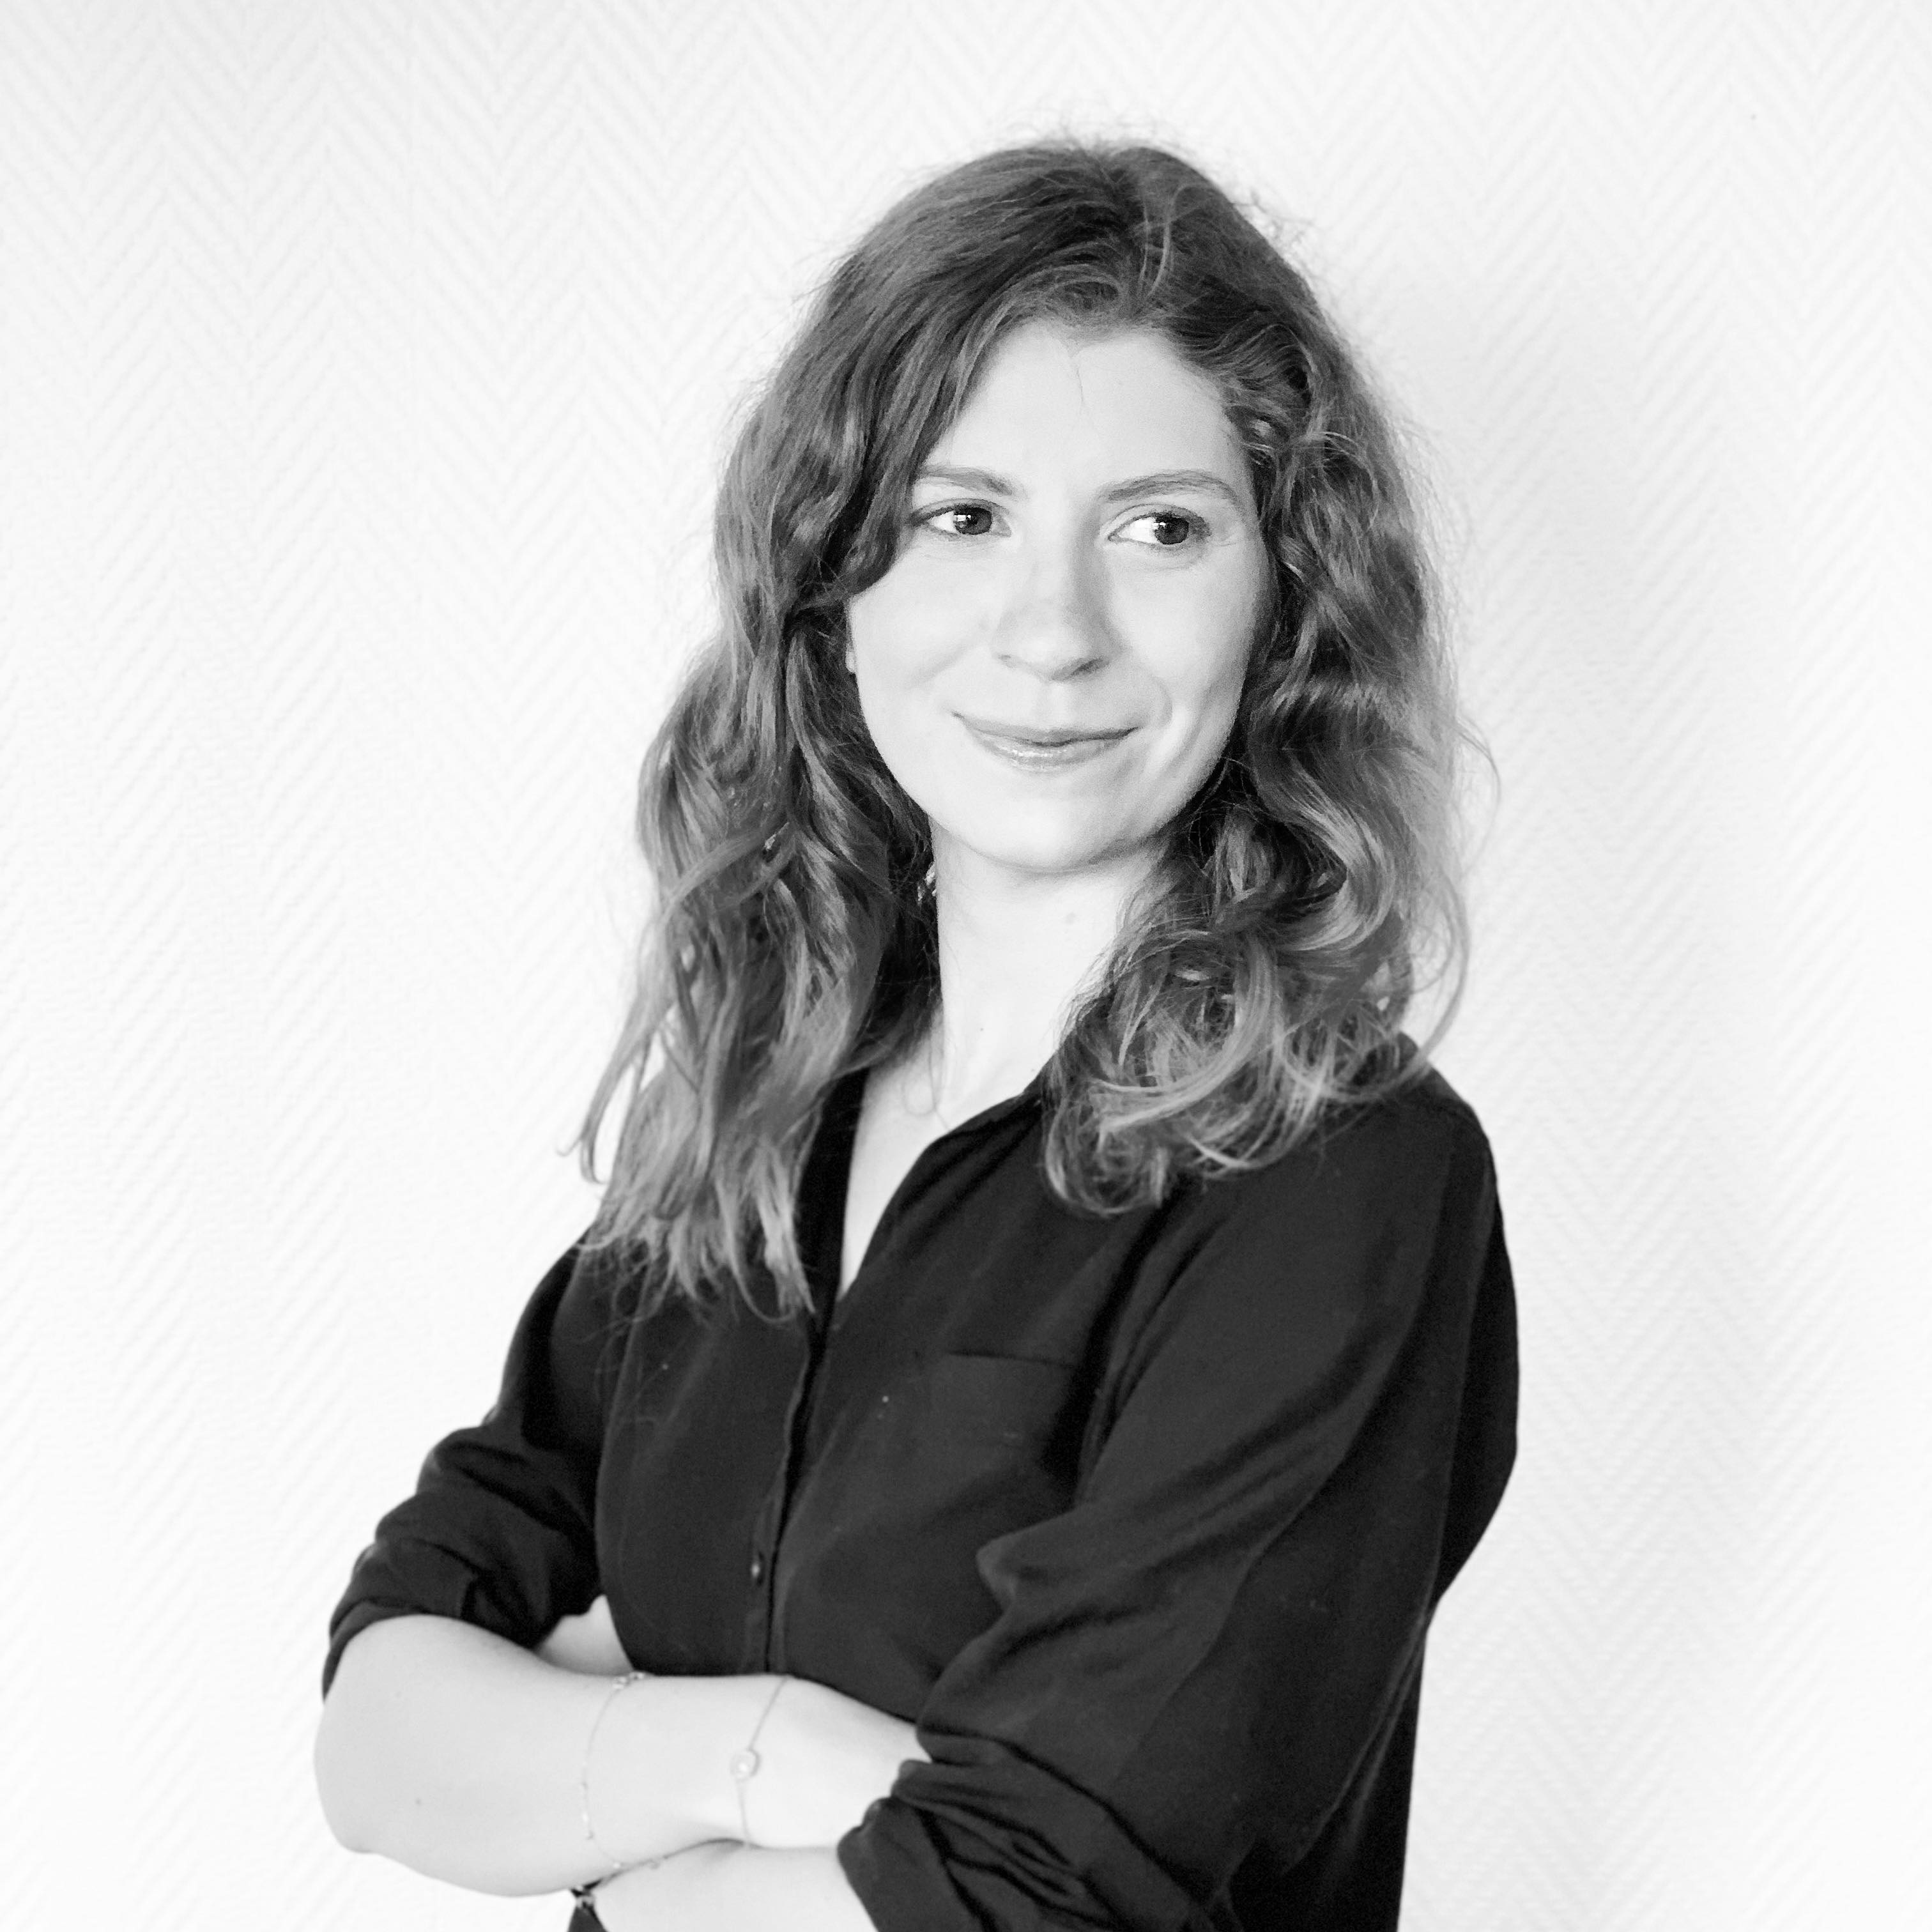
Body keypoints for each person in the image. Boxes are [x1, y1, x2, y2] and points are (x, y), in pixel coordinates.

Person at [314, 141, 1517, 1932]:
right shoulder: (748, 1133)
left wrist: (605, 1810)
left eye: (1161, 528)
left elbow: (1035, 1900)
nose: (1055, 632)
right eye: (965, 518)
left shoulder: (1343, 1182)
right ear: (835, 594)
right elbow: (380, 1733)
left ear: (1283, 604)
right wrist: (772, 1756)